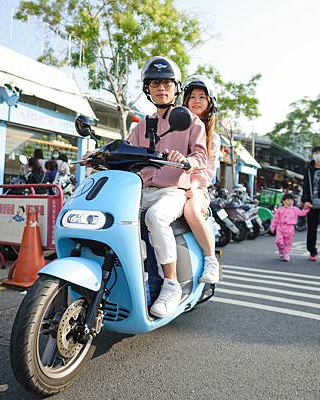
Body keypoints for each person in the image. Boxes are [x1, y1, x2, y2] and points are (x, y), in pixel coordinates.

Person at [82, 56, 207, 317]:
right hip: (139, 190)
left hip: (172, 191)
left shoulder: (190, 122)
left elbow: (201, 157)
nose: (161, 88)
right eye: (154, 84)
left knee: (155, 217)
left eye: (166, 83)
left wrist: (185, 161)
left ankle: (171, 284)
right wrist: (98, 155)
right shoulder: (142, 124)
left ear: (176, 87)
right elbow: (124, 150)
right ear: (147, 89)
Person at [180, 75, 221, 283]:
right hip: (170, 183)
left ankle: (211, 259)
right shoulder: (175, 125)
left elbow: (207, 171)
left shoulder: (212, 137)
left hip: (196, 186)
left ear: (210, 103)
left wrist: (193, 185)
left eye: (202, 97)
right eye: (192, 96)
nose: (196, 101)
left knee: (191, 210)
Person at [270, 193, 310, 262]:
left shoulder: (295, 209)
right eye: (288, 200)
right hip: (280, 227)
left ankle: (286, 254)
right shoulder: (280, 209)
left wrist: (307, 208)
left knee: (288, 242)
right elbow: (275, 219)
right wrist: (272, 227)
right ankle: (281, 250)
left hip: (290, 228)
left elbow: (302, 213)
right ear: (283, 201)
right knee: (279, 241)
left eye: (291, 200)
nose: (290, 201)